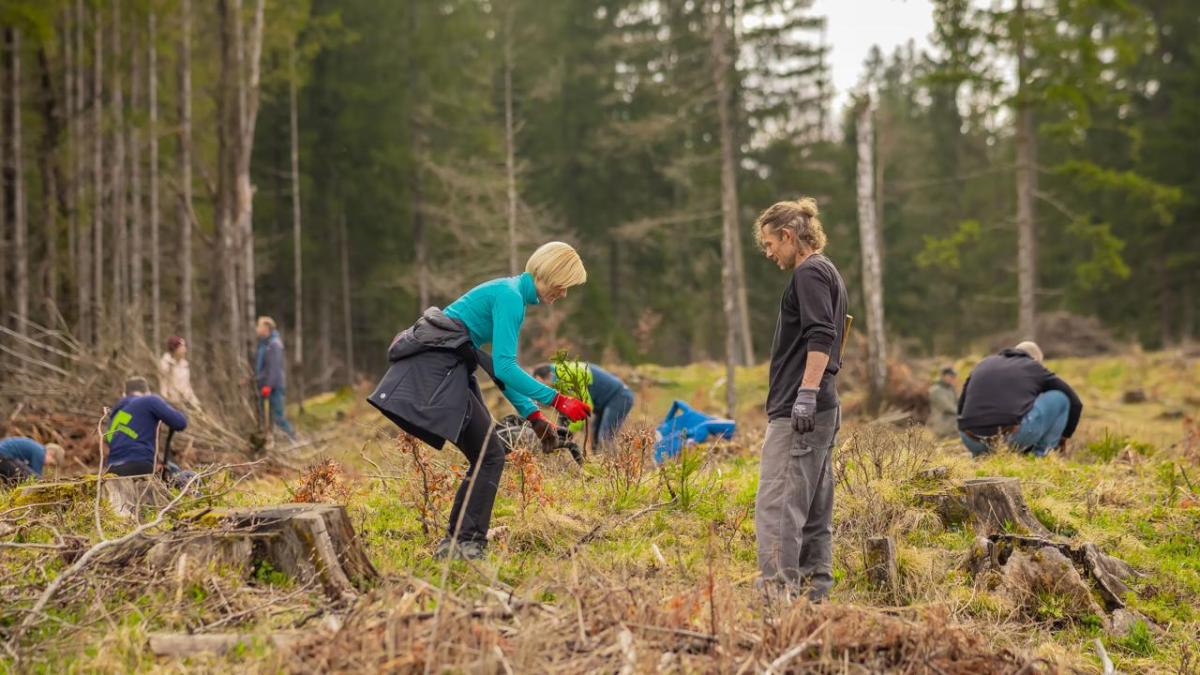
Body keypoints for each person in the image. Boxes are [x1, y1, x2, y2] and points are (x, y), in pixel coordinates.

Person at [368, 242, 592, 561]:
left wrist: (535, 418)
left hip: (451, 367)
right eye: (564, 284)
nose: (564, 293)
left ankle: (457, 544)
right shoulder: (511, 297)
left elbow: (500, 371)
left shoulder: (511, 293)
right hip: (438, 369)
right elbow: (505, 367)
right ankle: (466, 545)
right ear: (551, 274)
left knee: (487, 453)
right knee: (489, 455)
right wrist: (556, 399)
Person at [751, 197, 848, 603]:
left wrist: (805, 393)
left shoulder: (808, 273)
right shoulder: (828, 271)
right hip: (821, 410)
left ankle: (776, 603)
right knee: (812, 512)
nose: (769, 253)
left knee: (777, 507)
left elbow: (822, 334)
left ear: (788, 236)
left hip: (801, 412)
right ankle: (813, 598)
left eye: (770, 244)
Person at [957, 341, 1083, 457]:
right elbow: (1075, 402)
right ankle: (1041, 454)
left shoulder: (983, 364)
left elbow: (961, 407)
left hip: (971, 440)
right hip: (1011, 438)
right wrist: (1064, 437)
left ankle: (982, 454)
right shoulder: (1034, 366)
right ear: (1035, 359)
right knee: (1060, 398)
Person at [532, 361, 635, 450]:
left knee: (604, 439)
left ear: (540, 379)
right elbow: (564, 411)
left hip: (619, 397)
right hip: (606, 400)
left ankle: (617, 468)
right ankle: (600, 469)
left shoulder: (568, 375)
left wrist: (568, 432)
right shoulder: (558, 376)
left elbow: (585, 407)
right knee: (596, 442)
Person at [104, 377, 189, 478]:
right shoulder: (149, 400)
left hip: (112, 468)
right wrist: (183, 412)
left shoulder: (116, 412)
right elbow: (179, 423)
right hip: (139, 464)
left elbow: (108, 439)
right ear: (147, 392)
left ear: (124, 394)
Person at [255, 316, 297, 443]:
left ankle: (293, 440)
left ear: (266, 327)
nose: (257, 329)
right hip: (265, 386)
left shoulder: (274, 344)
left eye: (259, 326)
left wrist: (269, 385)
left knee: (278, 417)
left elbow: (274, 368)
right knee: (266, 417)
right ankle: (272, 443)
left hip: (274, 387)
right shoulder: (264, 344)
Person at [158, 335, 202, 409]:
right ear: (174, 349)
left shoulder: (185, 365)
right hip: (172, 404)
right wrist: (165, 402)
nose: (184, 350)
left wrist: (195, 402)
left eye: (184, 347)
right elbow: (163, 385)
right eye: (181, 347)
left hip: (185, 403)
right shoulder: (166, 364)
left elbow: (187, 385)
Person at [0, 437, 64, 481]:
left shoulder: (38, 448)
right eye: (50, 463)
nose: (47, 465)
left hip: (5, 455)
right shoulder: (40, 453)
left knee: (21, 474)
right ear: (51, 454)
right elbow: (36, 476)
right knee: (35, 478)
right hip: (4, 455)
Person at [928, 367, 959, 438]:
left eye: (953, 376)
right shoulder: (936, 390)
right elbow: (946, 407)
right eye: (950, 376)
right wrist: (963, 412)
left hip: (952, 428)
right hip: (942, 429)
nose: (952, 378)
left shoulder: (950, 389)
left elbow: (957, 402)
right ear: (943, 376)